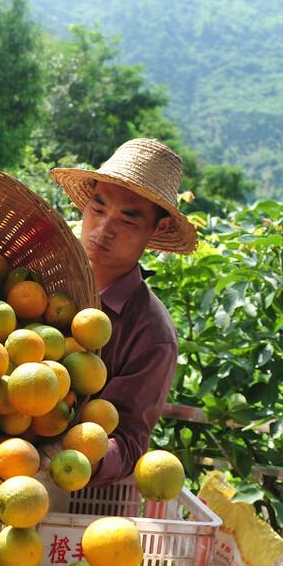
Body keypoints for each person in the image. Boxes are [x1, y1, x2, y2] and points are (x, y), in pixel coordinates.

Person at [50, 138, 199, 487]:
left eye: (127, 221)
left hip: (82, 514)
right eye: (98, 210)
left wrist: (65, 460)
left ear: (158, 228)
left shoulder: (151, 333)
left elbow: (129, 442)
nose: (103, 230)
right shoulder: (41, 283)